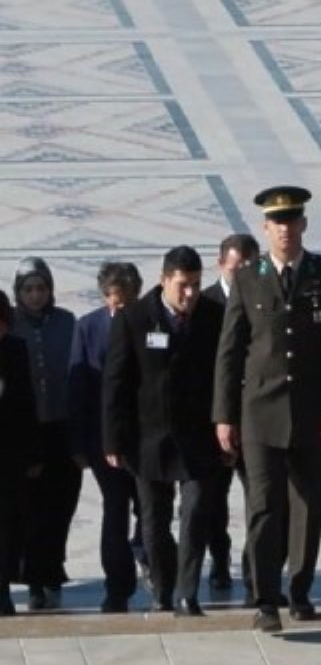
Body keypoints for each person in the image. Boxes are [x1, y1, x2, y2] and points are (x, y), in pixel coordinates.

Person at [214, 186, 321, 632]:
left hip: (311, 411)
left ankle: (299, 590)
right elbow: (230, 351)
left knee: (309, 505)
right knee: (263, 507)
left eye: (292, 221)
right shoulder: (249, 276)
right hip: (260, 412)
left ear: (303, 225)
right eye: (278, 223)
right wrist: (224, 415)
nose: (286, 230)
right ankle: (265, 598)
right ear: (266, 228)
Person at [103, 246, 225, 616]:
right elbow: (116, 382)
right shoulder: (135, 318)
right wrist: (113, 438)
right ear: (163, 281)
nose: (189, 293)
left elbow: (228, 375)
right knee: (154, 522)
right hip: (149, 440)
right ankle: (163, 588)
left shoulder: (214, 316)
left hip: (198, 438)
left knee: (196, 514)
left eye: (196, 285)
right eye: (182, 285)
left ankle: (189, 592)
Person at [69, 261, 146, 612]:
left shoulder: (151, 323)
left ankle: (154, 565)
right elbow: (78, 387)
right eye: (113, 301)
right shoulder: (88, 328)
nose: (120, 308)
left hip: (145, 439)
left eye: (126, 301)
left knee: (150, 509)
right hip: (104, 442)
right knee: (115, 510)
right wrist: (80, 444)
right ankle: (118, 586)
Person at [9, 257, 81, 612]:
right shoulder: (12, 326)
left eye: (41, 288)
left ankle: (53, 566)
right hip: (28, 431)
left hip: (62, 428)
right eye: (28, 289)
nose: (36, 296)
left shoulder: (66, 322)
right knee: (31, 508)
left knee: (61, 504)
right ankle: (34, 576)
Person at [201, 233, 257, 594]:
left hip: (255, 416)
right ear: (221, 264)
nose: (242, 276)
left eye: (249, 268)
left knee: (261, 498)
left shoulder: (265, 296)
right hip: (214, 418)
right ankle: (220, 561)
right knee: (212, 500)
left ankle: (255, 569)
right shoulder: (204, 303)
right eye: (236, 269)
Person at [0, 291, 42, 616]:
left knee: (7, 525)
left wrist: (32, 454)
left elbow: (27, 402)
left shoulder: (15, 349)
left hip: (8, 454)